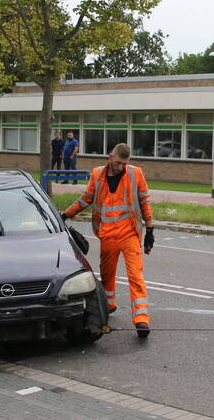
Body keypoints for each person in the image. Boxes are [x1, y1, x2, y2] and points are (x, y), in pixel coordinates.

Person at [61, 143, 154, 338]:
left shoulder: (135, 174)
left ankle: (141, 319)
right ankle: (109, 304)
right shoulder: (97, 175)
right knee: (107, 274)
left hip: (129, 234)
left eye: (124, 164)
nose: (121, 167)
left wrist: (150, 229)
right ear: (110, 157)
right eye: (118, 162)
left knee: (135, 275)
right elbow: (86, 199)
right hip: (108, 235)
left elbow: (144, 200)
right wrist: (66, 215)